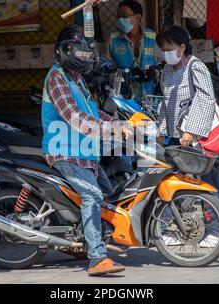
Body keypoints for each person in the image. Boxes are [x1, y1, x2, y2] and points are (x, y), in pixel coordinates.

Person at [42, 25, 125, 276]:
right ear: (67, 51)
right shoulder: (56, 77)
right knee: (92, 195)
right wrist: (108, 129)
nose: (86, 58)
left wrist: (119, 123)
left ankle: (88, 239)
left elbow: (90, 112)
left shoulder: (76, 78)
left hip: (85, 153)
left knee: (111, 194)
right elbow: (74, 117)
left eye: (88, 54)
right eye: (82, 54)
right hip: (64, 152)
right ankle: (97, 258)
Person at [156, 26, 219, 193]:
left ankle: (212, 216)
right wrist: (161, 131)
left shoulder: (195, 66)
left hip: (195, 137)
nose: (166, 53)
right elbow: (165, 101)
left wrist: (192, 131)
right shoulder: (166, 70)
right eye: (163, 50)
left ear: (182, 47)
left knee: (204, 179)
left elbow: (205, 99)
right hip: (175, 135)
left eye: (169, 49)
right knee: (179, 179)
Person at [108, 0, 160, 97]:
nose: (120, 19)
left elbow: (164, 67)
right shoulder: (113, 40)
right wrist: (127, 73)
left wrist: (155, 73)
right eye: (118, 16)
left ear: (138, 18)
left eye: (125, 16)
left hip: (149, 98)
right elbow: (105, 70)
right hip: (124, 99)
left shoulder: (152, 37)